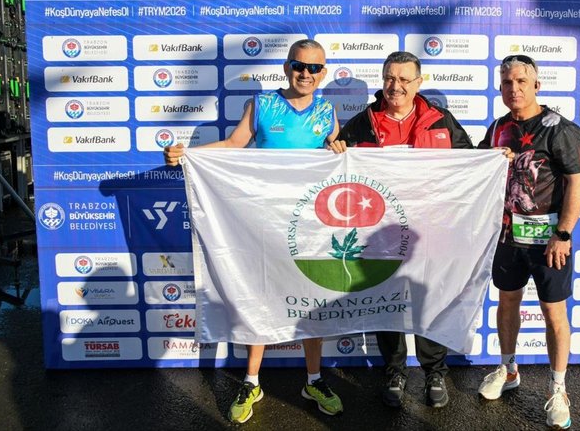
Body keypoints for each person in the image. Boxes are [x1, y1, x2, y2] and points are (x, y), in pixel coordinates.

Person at [163, 39, 345, 423]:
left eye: (314, 68)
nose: (306, 73)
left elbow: (338, 153)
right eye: (299, 65)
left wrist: (340, 147)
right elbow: (234, 144)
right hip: (263, 219)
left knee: (311, 301)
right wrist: (188, 155)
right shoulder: (262, 104)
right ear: (287, 67)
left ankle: (314, 380)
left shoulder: (327, 112)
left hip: (306, 224)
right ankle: (251, 382)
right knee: (260, 298)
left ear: (323, 73)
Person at [335, 50, 473, 409]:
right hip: (381, 233)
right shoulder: (363, 122)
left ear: (418, 82)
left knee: (430, 301)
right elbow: (334, 168)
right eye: (389, 78)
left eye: (403, 79)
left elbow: (470, 164)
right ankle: (394, 372)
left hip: (432, 232)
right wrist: (333, 148)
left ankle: (434, 372)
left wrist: (495, 159)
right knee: (388, 303)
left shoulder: (441, 120)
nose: (395, 86)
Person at [476, 54, 580, 430]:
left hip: (548, 241)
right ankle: (508, 369)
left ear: (536, 85)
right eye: (507, 82)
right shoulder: (498, 127)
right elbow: (479, 166)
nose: (514, 88)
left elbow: (577, 180)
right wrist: (491, 158)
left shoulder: (559, 128)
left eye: (522, 81)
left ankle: (558, 389)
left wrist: (564, 233)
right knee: (507, 302)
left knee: (553, 313)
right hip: (508, 237)